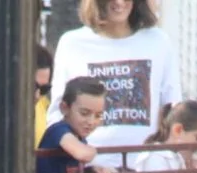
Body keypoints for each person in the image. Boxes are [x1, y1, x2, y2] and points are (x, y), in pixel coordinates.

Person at [49, 0, 182, 159]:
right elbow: (57, 111)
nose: (119, 2)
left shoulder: (159, 41)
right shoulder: (71, 43)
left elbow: (173, 106)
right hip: (90, 170)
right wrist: (79, 153)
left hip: (146, 169)